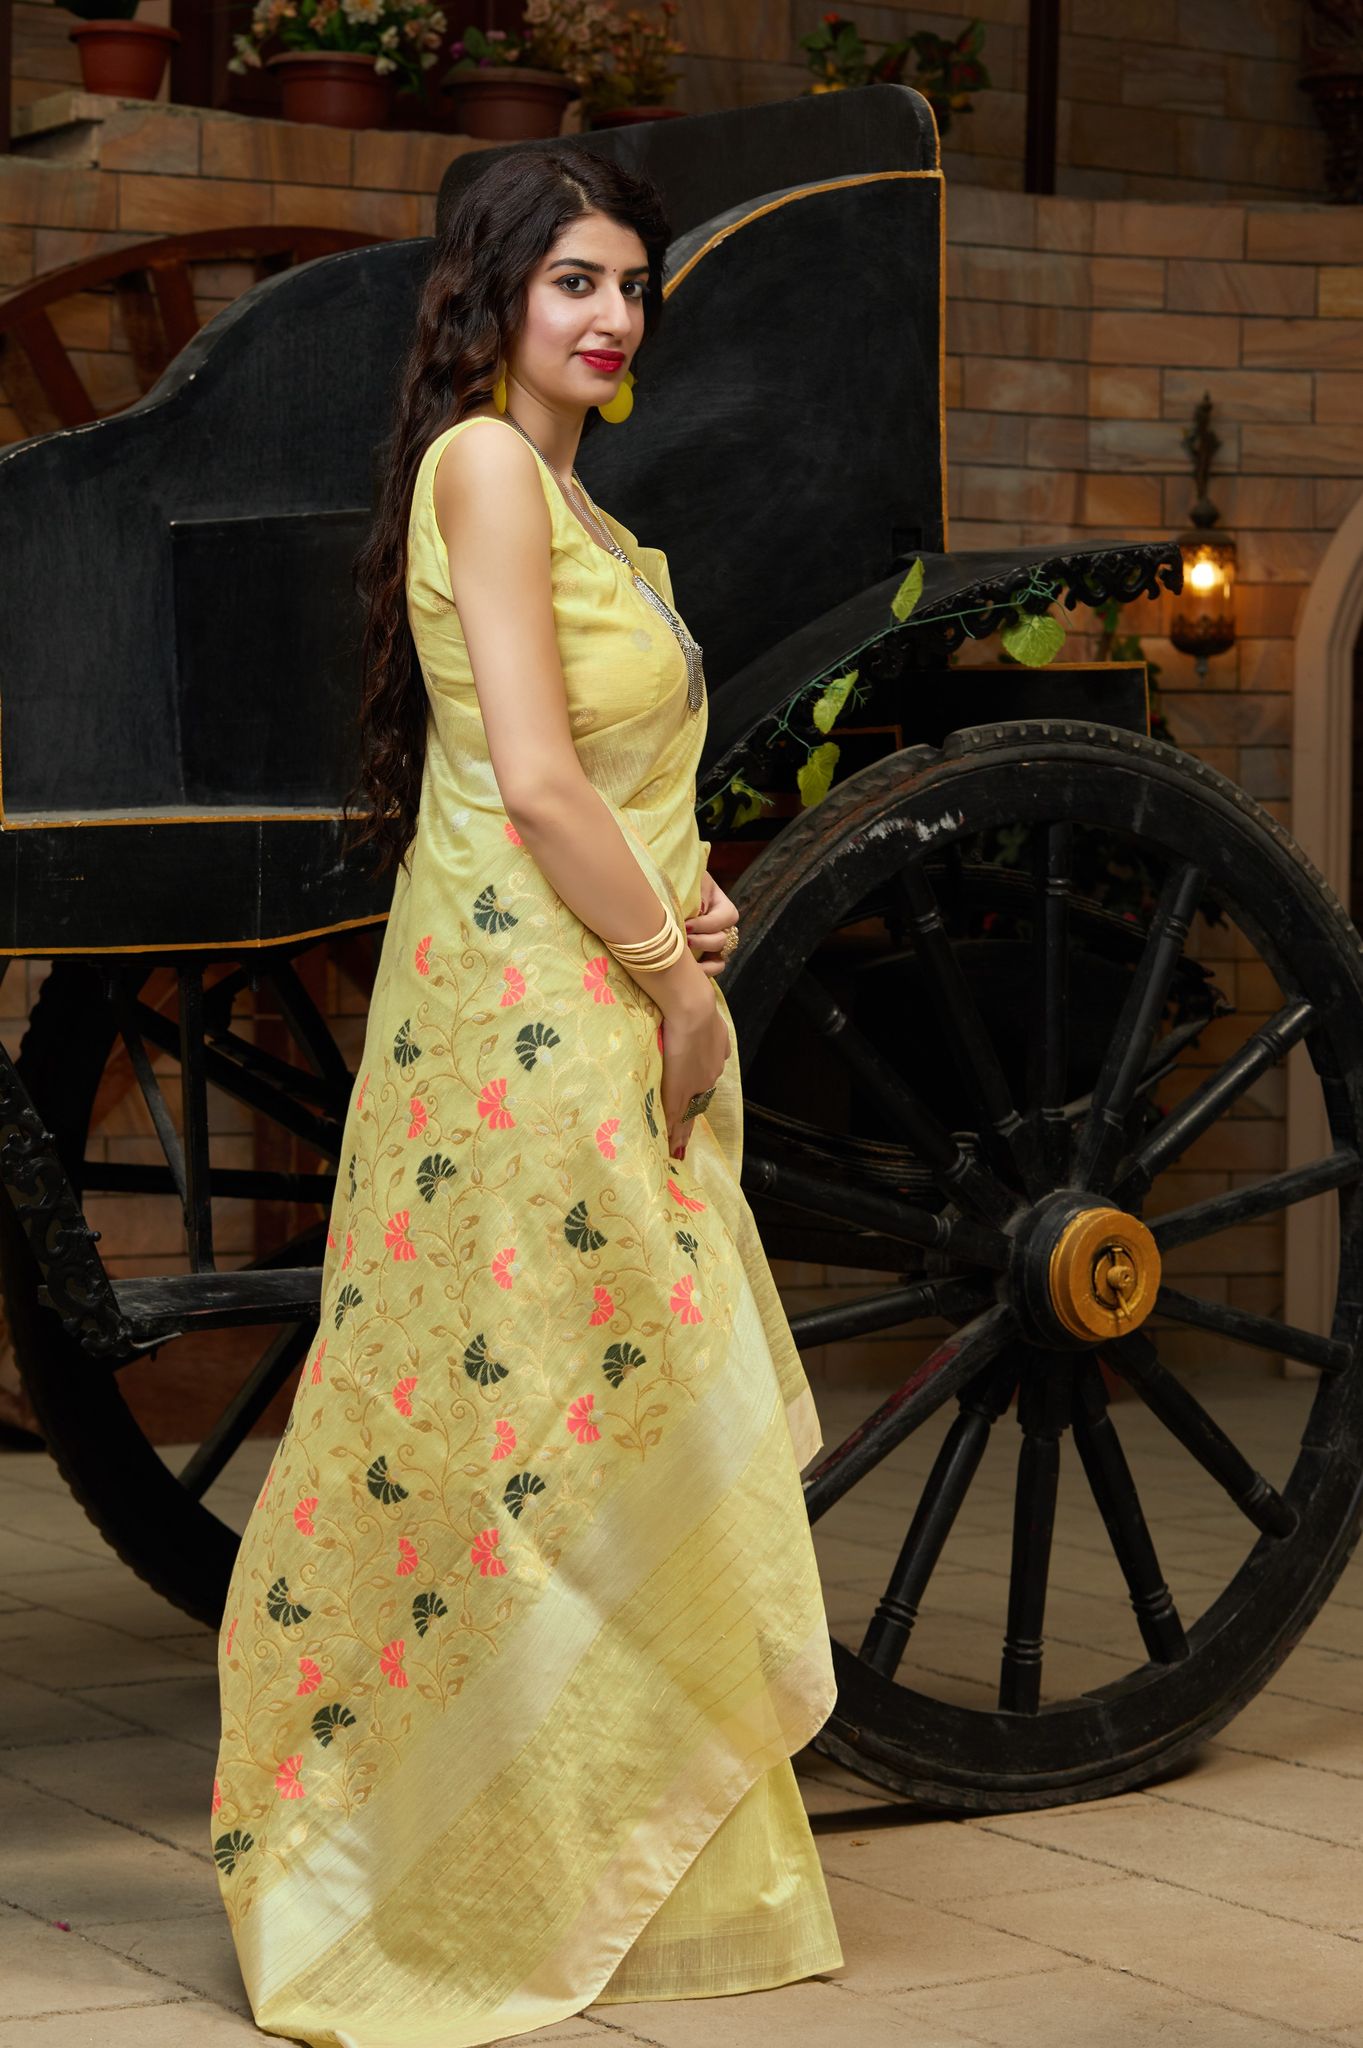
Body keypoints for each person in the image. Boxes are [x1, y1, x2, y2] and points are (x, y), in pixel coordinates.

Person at [211, 142, 843, 2047]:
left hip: (595, 980)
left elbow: (604, 782)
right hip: (524, 1011)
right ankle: (420, 1872)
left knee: (600, 1406)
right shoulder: (484, 465)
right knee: (522, 1422)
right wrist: (678, 982)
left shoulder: (586, 512)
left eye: (633, 284)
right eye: (577, 279)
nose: (615, 315)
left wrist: (695, 893)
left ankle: (590, 1855)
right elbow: (541, 786)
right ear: (491, 295)